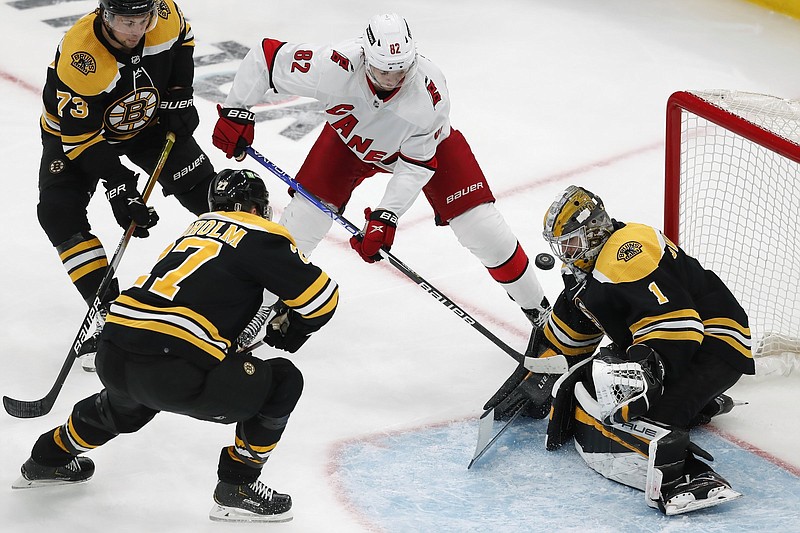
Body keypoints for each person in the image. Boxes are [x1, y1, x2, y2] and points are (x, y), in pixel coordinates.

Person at [14, 169, 340, 523]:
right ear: (254, 207)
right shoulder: (260, 234)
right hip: (175, 369)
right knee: (283, 379)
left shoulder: (194, 231)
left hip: (114, 350)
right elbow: (321, 299)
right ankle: (238, 485)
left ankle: (49, 456)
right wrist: (291, 331)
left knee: (129, 402)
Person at [210, 12, 550, 332]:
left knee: (484, 229)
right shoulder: (333, 66)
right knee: (302, 223)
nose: (392, 79)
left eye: (400, 70)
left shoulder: (429, 96)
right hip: (348, 142)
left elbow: (416, 165)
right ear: (365, 57)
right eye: (383, 71)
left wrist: (386, 216)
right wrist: (237, 110)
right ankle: (259, 308)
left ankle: (540, 312)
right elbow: (265, 58)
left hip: (426, 151)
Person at [491, 185, 754, 515]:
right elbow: (575, 326)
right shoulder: (587, 265)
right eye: (562, 244)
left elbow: (680, 324)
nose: (566, 252)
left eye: (572, 241)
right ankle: (696, 401)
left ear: (595, 229)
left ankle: (689, 478)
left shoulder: (625, 254)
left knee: (643, 421)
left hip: (715, 343)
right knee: (597, 393)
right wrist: (538, 374)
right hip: (678, 344)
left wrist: (647, 372)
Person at [37, 0, 217, 369]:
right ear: (104, 15)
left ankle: (259, 283)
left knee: (209, 195)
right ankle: (108, 314)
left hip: (147, 124)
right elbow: (81, 140)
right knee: (58, 214)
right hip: (81, 137)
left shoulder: (165, 16)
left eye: (142, 20)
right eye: (124, 21)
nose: (135, 31)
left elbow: (184, 40)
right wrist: (119, 184)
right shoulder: (82, 56)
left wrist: (180, 93)